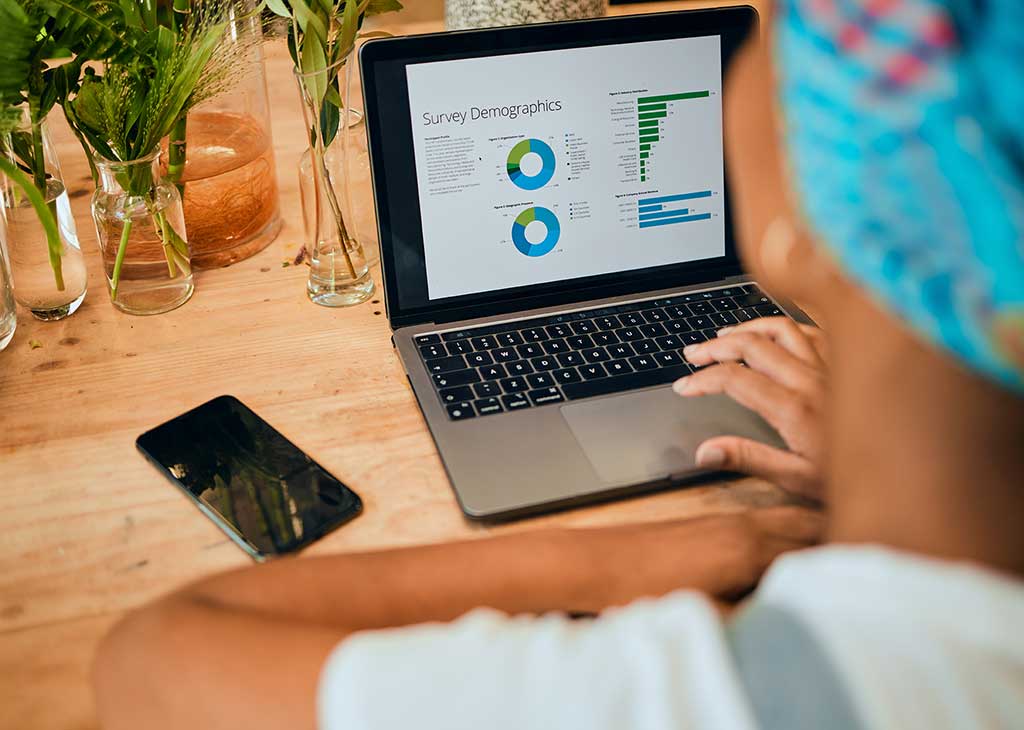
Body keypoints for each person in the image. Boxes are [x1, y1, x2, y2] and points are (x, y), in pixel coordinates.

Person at [92, 1, 1024, 728]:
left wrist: (625, 564)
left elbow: (147, 661)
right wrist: (880, 458)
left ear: (813, 203)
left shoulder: (688, 698)